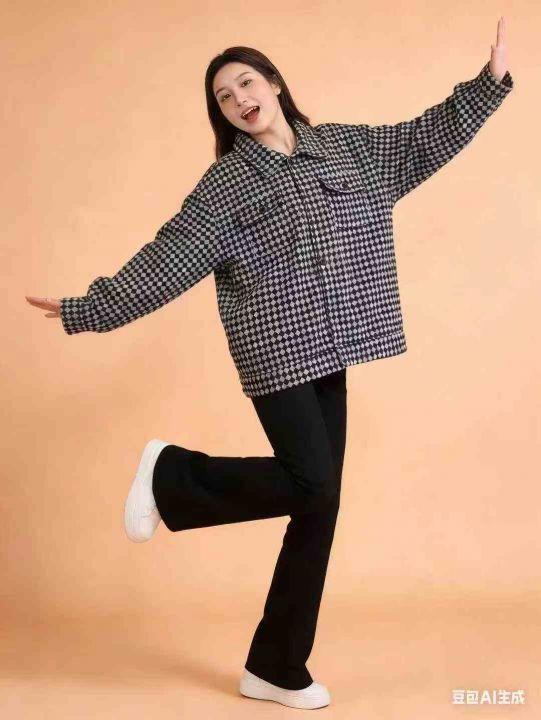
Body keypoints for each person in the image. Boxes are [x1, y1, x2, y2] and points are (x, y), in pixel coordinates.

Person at [25, 18, 513, 710]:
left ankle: (275, 666)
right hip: (278, 351)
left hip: (336, 345)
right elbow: (171, 257)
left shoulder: (345, 147)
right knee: (311, 483)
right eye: (224, 97)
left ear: (275, 83)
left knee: (319, 504)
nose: (239, 100)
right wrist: (89, 308)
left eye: (246, 83)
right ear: (221, 115)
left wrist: (486, 86)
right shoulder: (227, 183)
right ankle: (169, 476)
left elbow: (421, 140)